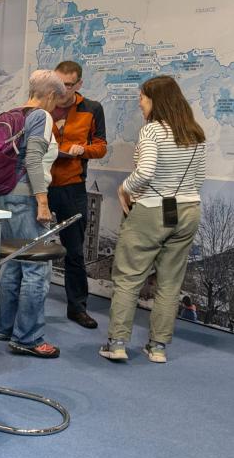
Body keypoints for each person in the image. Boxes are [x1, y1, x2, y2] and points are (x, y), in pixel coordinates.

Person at [100, 75, 206, 364]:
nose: (140, 105)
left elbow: (145, 172)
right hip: (188, 210)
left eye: (143, 100)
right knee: (171, 283)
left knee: (128, 279)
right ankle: (158, 348)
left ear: (156, 101)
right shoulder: (195, 133)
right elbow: (198, 179)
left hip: (150, 210)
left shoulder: (152, 132)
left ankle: (118, 343)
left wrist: (124, 188)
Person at [0, 70, 66, 358]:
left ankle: (4, 326)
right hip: (26, 198)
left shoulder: (13, 113)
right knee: (36, 268)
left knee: (12, 262)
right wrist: (43, 201)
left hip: (3, 195)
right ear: (49, 95)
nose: (55, 106)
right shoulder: (42, 117)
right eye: (56, 99)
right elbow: (34, 160)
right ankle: (28, 337)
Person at [48, 61, 107, 329]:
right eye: (58, 83)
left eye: (68, 85)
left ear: (79, 84)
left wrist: (79, 150)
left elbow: (101, 147)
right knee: (28, 245)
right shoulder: (43, 106)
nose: (62, 89)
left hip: (73, 187)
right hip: (41, 185)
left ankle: (77, 308)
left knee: (74, 252)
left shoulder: (92, 109)